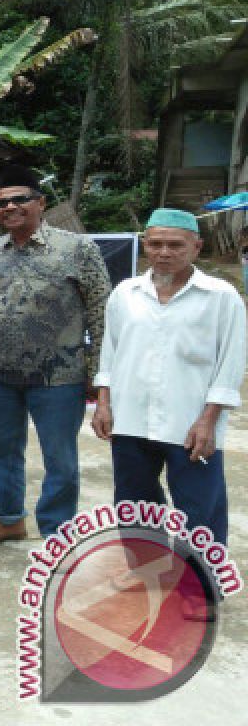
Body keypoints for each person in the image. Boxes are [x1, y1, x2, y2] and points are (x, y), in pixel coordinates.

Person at [0, 165, 111, 546]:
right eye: (2, 203)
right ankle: (7, 519)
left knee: (60, 461)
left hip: (59, 376)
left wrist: (100, 378)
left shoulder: (77, 249)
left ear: (41, 203)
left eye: (20, 199)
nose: (10, 207)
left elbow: (102, 314)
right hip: (2, 374)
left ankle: (57, 534)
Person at [92, 209, 245, 550]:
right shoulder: (126, 293)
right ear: (144, 244)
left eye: (175, 245)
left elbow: (230, 365)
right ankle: (145, 573)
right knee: (134, 505)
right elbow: (110, 351)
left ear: (196, 247)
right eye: (156, 244)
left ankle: (200, 585)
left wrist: (209, 421)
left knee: (199, 508)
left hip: (190, 421)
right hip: (130, 418)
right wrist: (104, 402)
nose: (164, 253)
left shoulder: (220, 297)